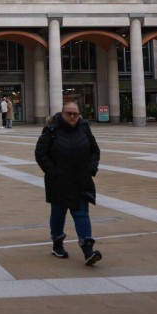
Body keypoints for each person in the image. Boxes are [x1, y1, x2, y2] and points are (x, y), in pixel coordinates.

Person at [35, 101, 102, 265]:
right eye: (69, 113)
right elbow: (40, 154)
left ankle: (88, 250)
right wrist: (53, 172)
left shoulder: (84, 128)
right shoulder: (51, 130)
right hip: (59, 180)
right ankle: (57, 243)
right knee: (58, 212)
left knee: (81, 213)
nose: (72, 117)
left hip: (81, 179)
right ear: (62, 113)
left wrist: (91, 168)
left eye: (75, 114)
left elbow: (95, 150)